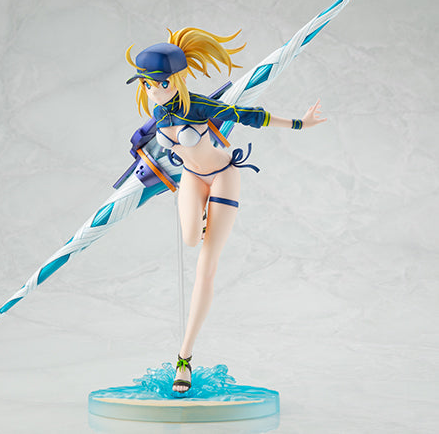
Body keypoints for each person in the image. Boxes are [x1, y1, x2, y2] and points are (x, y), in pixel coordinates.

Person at [126, 27, 326, 393]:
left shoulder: (199, 106)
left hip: (222, 176)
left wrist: (300, 123)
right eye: (146, 83)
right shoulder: (158, 112)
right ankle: (204, 220)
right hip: (191, 177)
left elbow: (248, 115)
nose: (152, 90)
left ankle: (184, 358)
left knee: (205, 269)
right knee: (189, 239)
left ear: (175, 80)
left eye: (158, 83)